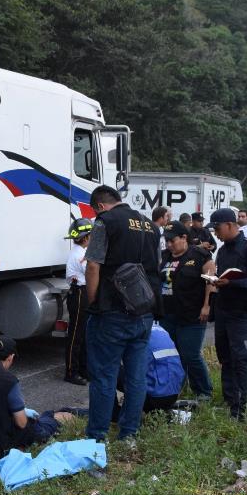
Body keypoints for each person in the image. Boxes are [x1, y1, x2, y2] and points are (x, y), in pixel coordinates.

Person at [84, 185, 161, 441]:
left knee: (104, 376)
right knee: (136, 376)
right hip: (144, 311)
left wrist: (93, 301)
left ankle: (97, 436)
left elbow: (93, 265)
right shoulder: (151, 225)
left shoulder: (104, 221)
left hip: (112, 310)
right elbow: (155, 267)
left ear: (100, 206)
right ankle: (129, 433)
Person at [209, 208, 247, 419]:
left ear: (231, 225)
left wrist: (232, 283)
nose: (215, 233)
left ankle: (240, 406)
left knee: (240, 358)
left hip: (241, 312)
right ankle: (229, 398)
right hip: (223, 309)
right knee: (225, 357)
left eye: (217, 228)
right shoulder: (222, 251)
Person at [158, 221, 215, 400]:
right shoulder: (164, 256)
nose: (169, 244)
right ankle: (176, 388)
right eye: (166, 240)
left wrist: (207, 305)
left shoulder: (200, 255)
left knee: (190, 354)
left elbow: (211, 283)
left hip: (192, 314)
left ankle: (204, 391)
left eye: (172, 240)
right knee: (172, 354)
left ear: (184, 237)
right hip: (168, 314)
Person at [113, 322, 186, 417]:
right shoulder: (159, 328)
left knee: (107, 368)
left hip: (154, 398)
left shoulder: (133, 331)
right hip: (174, 394)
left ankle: (114, 414)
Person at [64, 217, 93, 385]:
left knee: (82, 335)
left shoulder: (79, 251)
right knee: (75, 336)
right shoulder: (81, 255)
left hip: (81, 293)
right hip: (80, 293)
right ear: (86, 237)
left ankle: (82, 369)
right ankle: (71, 372)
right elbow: (91, 272)